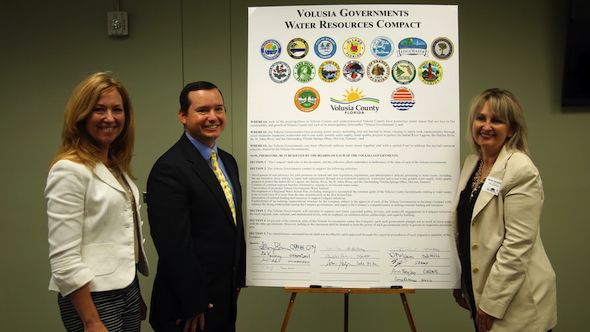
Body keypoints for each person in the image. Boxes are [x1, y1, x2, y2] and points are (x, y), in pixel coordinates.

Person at [45, 72, 150, 331]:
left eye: (117, 110)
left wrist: (132, 290)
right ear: (81, 116)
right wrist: (91, 320)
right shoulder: (69, 170)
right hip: (92, 297)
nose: (110, 118)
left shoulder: (115, 165)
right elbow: (63, 258)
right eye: (99, 110)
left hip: (126, 289)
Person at [451, 88, 557, 332]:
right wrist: (462, 282)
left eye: (496, 120)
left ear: (511, 129)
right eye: (481, 118)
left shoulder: (521, 170)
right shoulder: (472, 163)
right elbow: (468, 230)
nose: (486, 126)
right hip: (482, 294)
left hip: (516, 302)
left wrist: (490, 304)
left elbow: (517, 245)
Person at [147, 81, 245, 332]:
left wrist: (237, 280)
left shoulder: (228, 162)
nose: (213, 117)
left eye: (219, 109)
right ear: (183, 115)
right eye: (203, 110)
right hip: (189, 309)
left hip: (223, 299)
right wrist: (193, 302)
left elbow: (233, 226)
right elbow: (173, 245)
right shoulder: (170, 168)